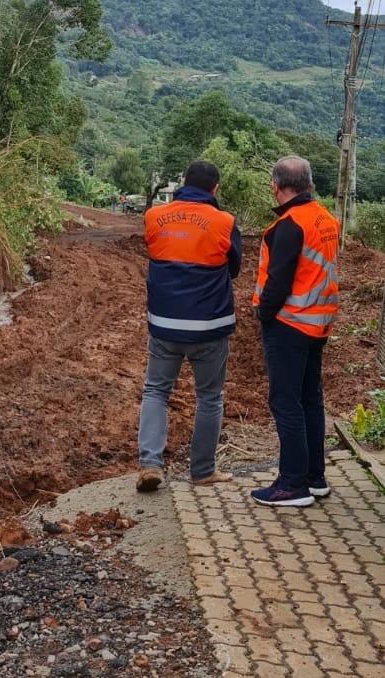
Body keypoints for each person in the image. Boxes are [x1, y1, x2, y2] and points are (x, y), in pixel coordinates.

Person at [136, 160, 242, 492]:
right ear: (215, 189)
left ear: (182, 182)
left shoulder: (154, 217)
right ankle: (202, 472)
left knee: (156, 390)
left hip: (164, 326)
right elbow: (234, 268)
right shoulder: (225, 222)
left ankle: (150, 464)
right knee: (209, 397)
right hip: (210, 328)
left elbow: (157, 252)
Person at [250, 156, 339, 507]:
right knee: (309, 399)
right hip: (319, 323)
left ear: (275, 186)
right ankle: (314, 476)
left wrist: (263, 313)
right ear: (310, 184)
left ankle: (291, 485)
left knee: (285, 402)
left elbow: (278, 281)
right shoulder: (326, 219)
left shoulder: (289, 225)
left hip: (289, 324)